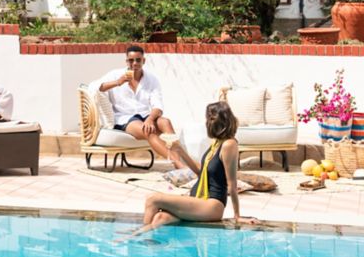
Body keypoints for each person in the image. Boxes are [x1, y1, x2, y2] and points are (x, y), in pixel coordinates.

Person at [136, 101, 256, 235]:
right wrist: (180, 150)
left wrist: (237, 216)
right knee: (160, 218)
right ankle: (145, 239)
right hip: (198, 200)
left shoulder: (229, 144)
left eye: (210, 119)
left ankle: (137, 238)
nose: (207, 123)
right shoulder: (216, 143)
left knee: (152, 199)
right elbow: (201, 172)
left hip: (212, 204)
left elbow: (232, 184)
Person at [97, 45, 183, 168]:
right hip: (125, 119)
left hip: (145, 116)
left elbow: (158, 106)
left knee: (166, 122)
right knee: (147, 131)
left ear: (144, 61)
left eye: (138, 60)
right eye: (131, 60)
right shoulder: (116, 74)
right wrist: (118, 82)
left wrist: (150, 119)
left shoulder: (151, 79)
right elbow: (97, 87)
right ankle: (180, 166)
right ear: (126, 61)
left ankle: (179, 166)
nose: (135, 63)